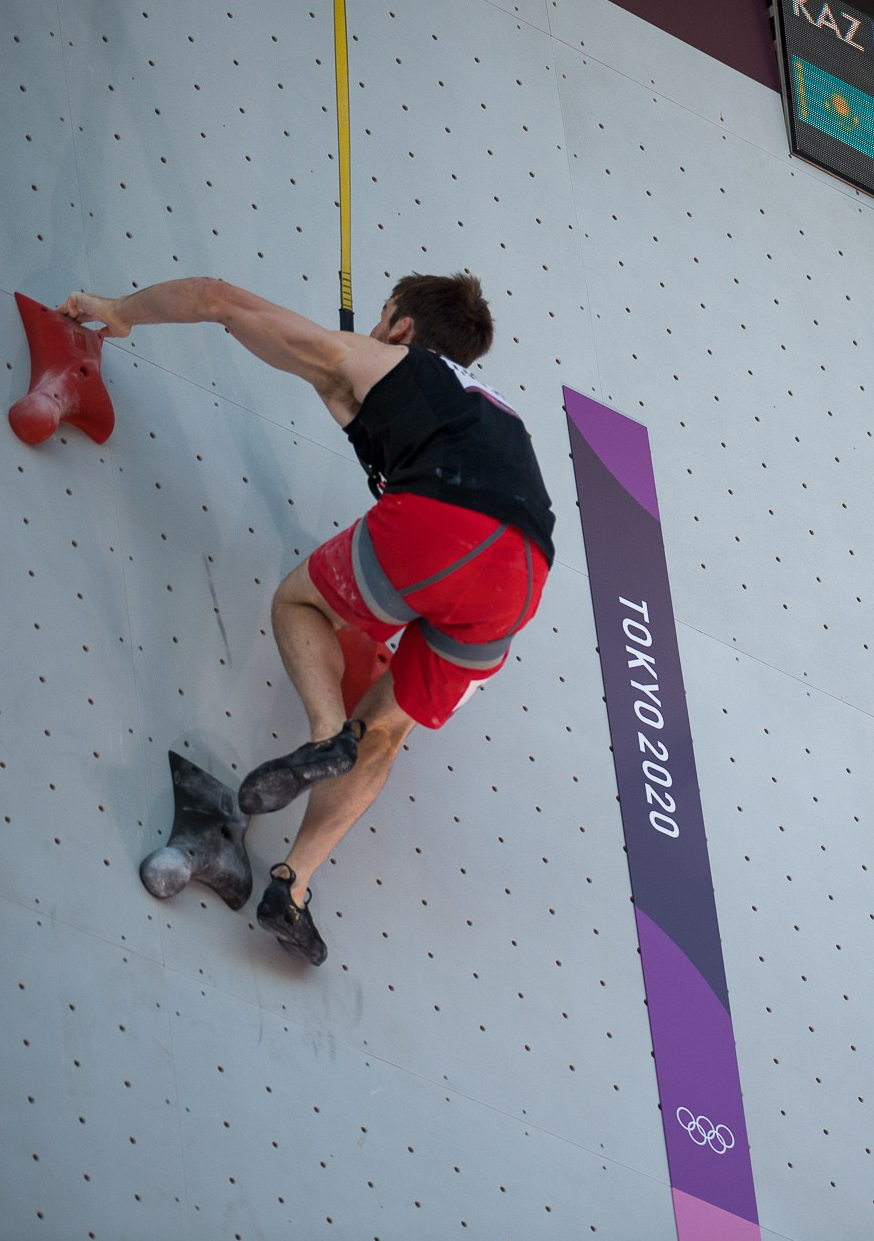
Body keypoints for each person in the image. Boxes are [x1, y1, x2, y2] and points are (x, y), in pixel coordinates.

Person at [59, 273, 554, 966]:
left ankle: (325, 735)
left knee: (298, 603)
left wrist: (118, 310)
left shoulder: (385, 361)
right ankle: (291, 888)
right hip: (522, 579)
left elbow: (219, 300)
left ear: (402, 329)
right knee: (387, 728)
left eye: (383, 318)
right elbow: (374, 418)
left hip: (447, 524)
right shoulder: (495, 415)